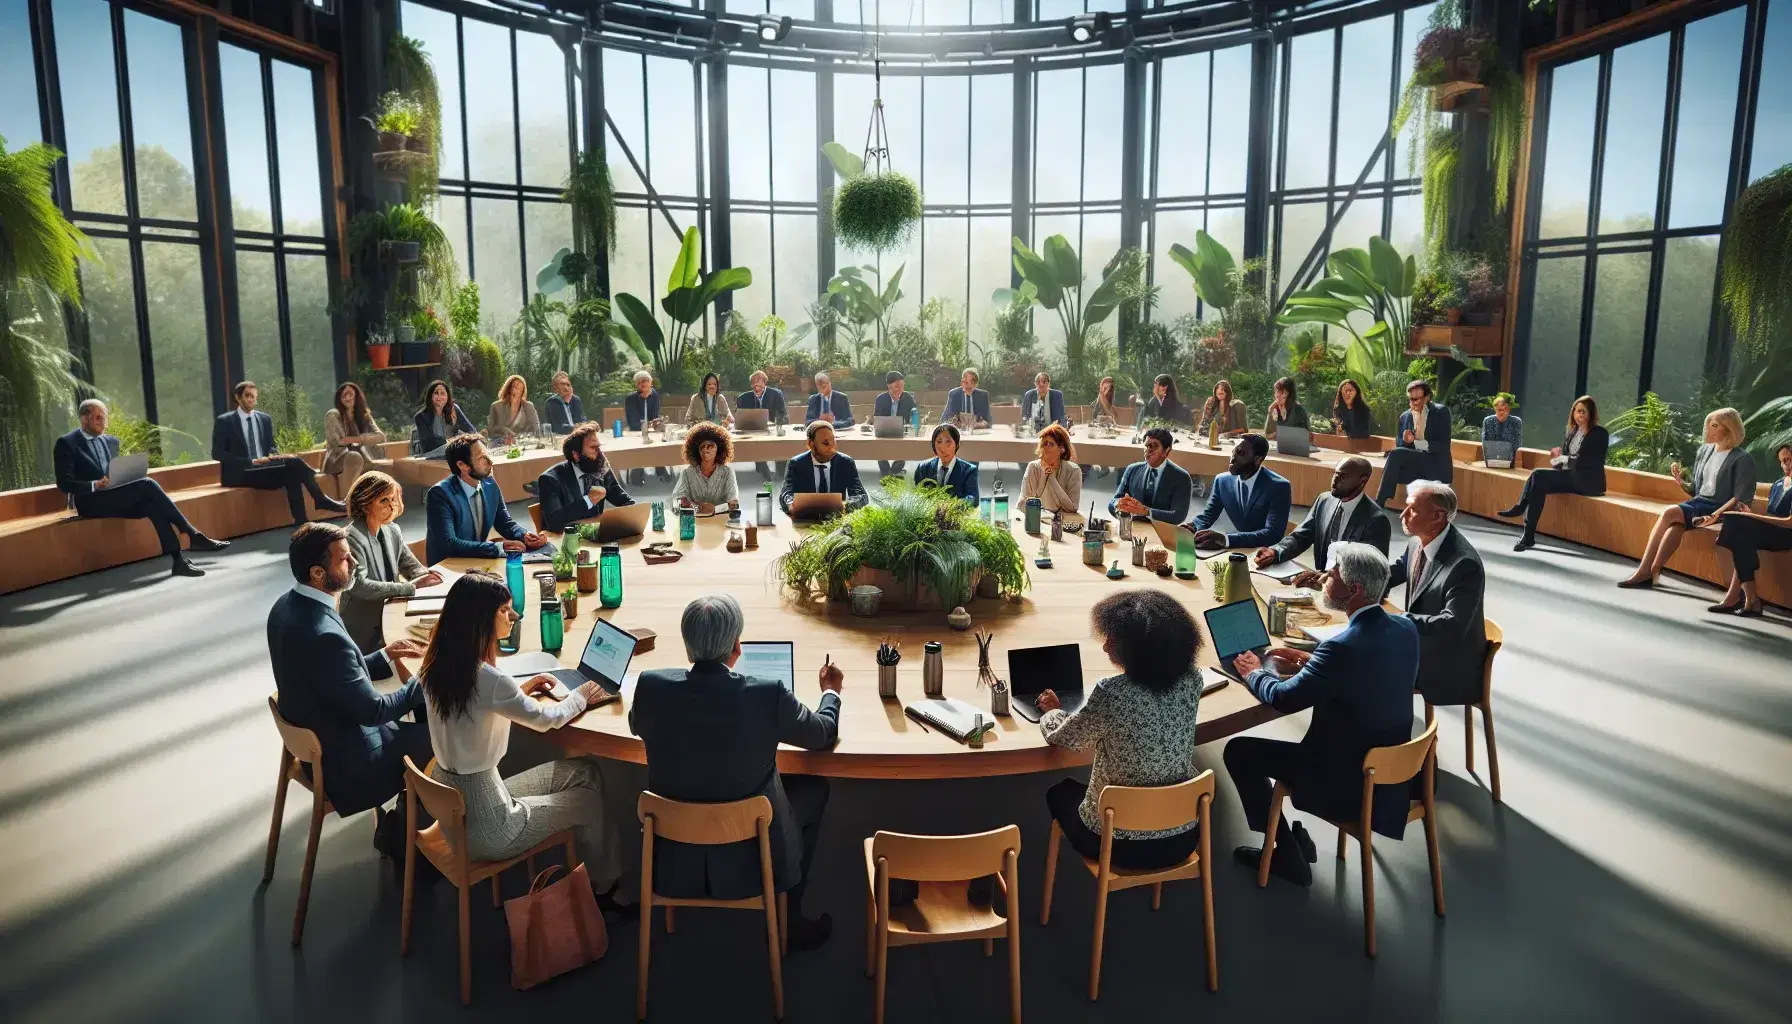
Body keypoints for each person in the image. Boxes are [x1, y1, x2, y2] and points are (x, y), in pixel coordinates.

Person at [629, 594, 842, 950]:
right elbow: (822, 735)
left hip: (672, 862)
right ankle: (789, 918)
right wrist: (831, 693)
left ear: (687, 644)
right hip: (752, 860)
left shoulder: (651, 687)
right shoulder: (766, 695)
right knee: (815, 791)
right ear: (736, 647)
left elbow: (637, 724)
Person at [420, 570, 625, 904]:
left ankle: (597, 878)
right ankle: (608, 890)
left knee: (584, 770)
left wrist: (520, 691)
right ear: (481, 620)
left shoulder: (438, 664)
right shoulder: (489, 680)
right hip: (489, 825)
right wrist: (583, 695)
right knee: (589, 802)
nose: (512, 617)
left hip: (458, 809)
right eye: (504, 611)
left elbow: (477, 707)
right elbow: (548, 720)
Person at [1224, 543, 1418, 887]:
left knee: (1238, 751)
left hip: (1344, 780)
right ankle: (1290, 840)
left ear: (1354, 590)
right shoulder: (1406, 629)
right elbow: (1366, 670)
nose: (1325, 577)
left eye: (1333, 573)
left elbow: (1283, 698)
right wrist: (1311, 662)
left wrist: (1254, 672)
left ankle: (1283, 853)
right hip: (1390, 776)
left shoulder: (1340, 649)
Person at [269, 522, 433, 858]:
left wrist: (385, 655)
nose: (354, 564)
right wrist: (423, 679)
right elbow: (373, 711)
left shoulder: (286, 607)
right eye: (345, 560)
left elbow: (332, 674)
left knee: (425, 720)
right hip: (352, 765)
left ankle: (405, 822)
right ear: (318, 573)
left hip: (322, 739)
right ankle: (408, 840)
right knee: (443, 738)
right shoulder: (323, 632)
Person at [1033, 590, 1208, 869]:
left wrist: (1052, 711)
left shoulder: (1111, 693)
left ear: (1138, 650)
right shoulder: (1192, 679)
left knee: (1060, 791)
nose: (1105, 647)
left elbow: (1068, 738)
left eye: (1113, 639)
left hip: (1116, 844)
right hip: (1181, 837)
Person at [53, 398, 227, 577]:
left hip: (114, 495)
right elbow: (64, 484)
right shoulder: (67, 443)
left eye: (105, 418)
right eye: (98, 418)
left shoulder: (111, 441)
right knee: (147, 484)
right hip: (90, 502)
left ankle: (178, 561)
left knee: (152, 506)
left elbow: (112, 472)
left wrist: (123, 475)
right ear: (84, 418)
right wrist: (93, 485)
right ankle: (191, 533)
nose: (103, 423)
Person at [1620, 408, 1757, 589]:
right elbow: (1696, 490)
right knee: (1676, 525)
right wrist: (1680, 481)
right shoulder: (1704, 452)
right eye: (1707, 424)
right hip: (1699, 503)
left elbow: (1740, 497)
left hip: (1720, 509)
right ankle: (1652, 571)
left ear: (1730, 430)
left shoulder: (1742, 458)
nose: (1707, 429)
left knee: (1670, 513)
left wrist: (1716, 515)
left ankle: (1645, 570)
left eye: (1714, 425)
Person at [1384, 481, 1487, 708]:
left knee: (1365, 668)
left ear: (1438, 516)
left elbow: (1453, 625)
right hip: (1419, 648)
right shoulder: (1417, 542)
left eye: (1413, 510)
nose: (1402, 515)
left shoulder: (1464, 564)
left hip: (1448, 669)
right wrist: (1354, 582)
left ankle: (1391, 738)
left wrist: (1401, 620)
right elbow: (1396, 572)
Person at [211, 380, 347, 527]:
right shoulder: (224, 421)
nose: (251, 399)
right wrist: (250, 461)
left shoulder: (264, 419)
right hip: (241, 473)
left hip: (264, 468)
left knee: (292, 471)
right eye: (247, 396)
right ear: (238, 398)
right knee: (294, 465)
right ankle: (320, 499)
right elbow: (217, 453)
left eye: (254, 396)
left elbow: (271, 447)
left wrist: (272, 455)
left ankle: (301, 520)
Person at [339, 471, 442, 654]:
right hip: (361, 628)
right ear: (365, 504)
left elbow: (411, 566)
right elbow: (361, 586)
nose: (392, 506)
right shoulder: (350, 538)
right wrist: (410, 587)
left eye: (393, 499)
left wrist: (427, 576)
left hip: (390, 614)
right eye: (384, 501)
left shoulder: (392, 530)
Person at [1254, 456, 1390, 587]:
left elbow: (1371, 572)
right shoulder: (1324, 501)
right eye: (1335, 474)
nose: (1335, 481)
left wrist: (1328, 578)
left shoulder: (1376, 521)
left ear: (1362, 481)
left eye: (1343, 477)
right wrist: (1275, 552)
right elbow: (1302, 536)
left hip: (1349, 595)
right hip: (1317, 585)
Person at [1498, 395, 1608, 552]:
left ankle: (1520, 508)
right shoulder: (1571, 432)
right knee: (1538, 483)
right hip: (1572, 477)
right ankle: (1528, 536)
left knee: (1538, 475)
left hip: (1588, 482)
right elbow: (1568, 461)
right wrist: (1557, 459)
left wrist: (1564, 459)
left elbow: (1585, 461)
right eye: (1577, 412)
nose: (1580, 415)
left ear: (1591, 413)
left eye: (1584, 412)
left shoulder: (1599, 434)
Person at [425, 434, 545, 563]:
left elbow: (504, 523)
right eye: (481, 457)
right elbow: (449, 544)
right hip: (449, 568)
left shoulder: (489, 483)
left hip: (478, 562)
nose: (490, 461)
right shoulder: (440, 494)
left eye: (488, 454)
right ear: (462, 465)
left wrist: (524, 536)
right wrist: (496, 548)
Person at [1711, 443, 1792, 617]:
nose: (1785, 465)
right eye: (1782, 461)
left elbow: (1789, 522)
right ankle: (1750, 599)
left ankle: (1744, 599)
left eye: (1789, 460)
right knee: (1741, 538)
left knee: (1735, 525)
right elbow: (1771, 514)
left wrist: (1753, 518)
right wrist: (1751, 514)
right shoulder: (1777, 485)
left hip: (1786, 534)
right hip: (1770, 530)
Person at [1188, 433, 1292, 550]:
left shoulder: (1278, 486)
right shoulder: (1222, 481)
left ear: (1258, 460)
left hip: (1266, 553)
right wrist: (1193, 527)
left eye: (1241, 453)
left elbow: (1273, 535)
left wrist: (1225, 539)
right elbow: (1207, 517)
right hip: (1237, 550)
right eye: (1234, 451)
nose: (1232, 458)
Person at [536, 422, 635, 534]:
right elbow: (555, 522)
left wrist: (636, 512)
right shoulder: (549, 480)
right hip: (564, 540)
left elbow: (621, 498)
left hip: (594, 536)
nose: (599, 453)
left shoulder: (600, 468)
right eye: (593, 448)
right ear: (576, 455)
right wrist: (588, 501)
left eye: (599, 447)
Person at [1375, 380, 1454, 507]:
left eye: (1416, 399)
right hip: (1414, 468)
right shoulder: (1404, 417)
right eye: (1410, 399)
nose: (1413, 403)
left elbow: (1443, 446)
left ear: (1427, 398)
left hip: (1435, 466)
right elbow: (1401, 447)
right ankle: (1381, 501)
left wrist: (1416, 443)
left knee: (1396, 454)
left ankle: (1379, 502)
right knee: (1395, 454)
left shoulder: (1441, 412)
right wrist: (1406, 442)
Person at [780, 421, 867, 517]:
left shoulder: (845, 462)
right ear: (811, 444)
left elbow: (861, 495)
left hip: (836, 519)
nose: (831, 447)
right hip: (806, 519)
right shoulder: (797, 463)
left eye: (833, 441)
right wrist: (792, 504)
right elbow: (785, 494)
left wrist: (847, 505)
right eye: (825, 443)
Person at [1109, 427, 1193, 525]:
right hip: (1133, 528)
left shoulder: (1182, 478)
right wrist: (1120, 505)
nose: (1148, 451)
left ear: (1167, 451)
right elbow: (1113, 502)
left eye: (1153, 446)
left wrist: (1146, 511)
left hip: (1162, 533)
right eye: (1146, 446)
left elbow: (1178, 516)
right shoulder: (1132, 469)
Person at [323, 381, 388, 496]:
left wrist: (356, 439)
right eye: (343, 395)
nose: (347, 398)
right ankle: (346, 502)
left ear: (357, 396)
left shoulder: (364, 415)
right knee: (355, 457)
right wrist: (361, 440)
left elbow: (380, 436)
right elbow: (337, 442)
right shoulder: (333, 415)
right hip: (337, 459)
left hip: (361, 455)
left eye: (350, 394)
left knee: (376, 461)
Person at [672, 421, 740, 514]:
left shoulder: (727, 472)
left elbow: (734, 504)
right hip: (695, 522)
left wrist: (714, 509)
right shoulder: (687, 473)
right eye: (702, 446)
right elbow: (677, 501)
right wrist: (695, 508)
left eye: (710, 446)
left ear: (719, 449)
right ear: (697, 450)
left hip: (720, 522)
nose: (706, 449)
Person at [737, 369, 789, 479]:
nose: (755, 383)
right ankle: (764, 470)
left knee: (781, 441)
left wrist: (776, 423)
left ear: (764, 382)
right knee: (755, 441)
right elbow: (741, 417)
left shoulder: (776, 394)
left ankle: (780, 472)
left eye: (758, 381)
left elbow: (783, 414)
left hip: (773, 428)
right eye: (753, 381)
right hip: (754, 430)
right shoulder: (743, 398)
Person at [1021, 424, 1083, 515]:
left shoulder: (1074, 471)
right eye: (1044, 444)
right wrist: (1044, 477)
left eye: (1051, 444)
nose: (1046, 448)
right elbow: (1022, 504)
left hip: (1063, 523)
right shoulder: (1033, 467)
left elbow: (1072, 508)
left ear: (1062, 448)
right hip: (1037, 520)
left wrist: (1052, 479)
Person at [912, 423, 979, 504]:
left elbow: (973, 498)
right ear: (934, 445)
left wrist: (951, 505)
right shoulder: (923, 468)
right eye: (939, 442)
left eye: (948, 442)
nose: (943, 448)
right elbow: (917, 497)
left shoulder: (969, 470)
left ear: (957, 444)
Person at [625, 370, 672, 484]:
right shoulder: (630, 398)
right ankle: (637, 471)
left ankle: (660, 469)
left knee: (659, 442)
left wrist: (658, 422)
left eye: (645, 380)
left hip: (652, 430)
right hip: (636, 430)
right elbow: (633, 421)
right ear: (636, 385)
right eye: (639, 381)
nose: (643, 383)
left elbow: (655, 415)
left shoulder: (654, 395)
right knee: (637, 445)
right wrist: (649, 424)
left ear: (651, 382)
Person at [412, 379, 477, 455]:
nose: (439, 396)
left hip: (452, 450)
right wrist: (453, 441)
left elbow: (470, 430)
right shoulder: (420, 416)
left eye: (442, 393)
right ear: (430, 396)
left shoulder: (454, 409)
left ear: (447, 396)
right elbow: (428, 443)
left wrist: (475, 438)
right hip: (430, 454)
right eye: (436, 393)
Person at [874, 371, 919, 475]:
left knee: (906, 441)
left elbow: (912, 417)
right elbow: (877, 418)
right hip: (883, 432)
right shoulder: (881, 399)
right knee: (878, 442)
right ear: (889, 386)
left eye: (902, 385)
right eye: (897, 385)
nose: (900, 388)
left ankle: (897, 468)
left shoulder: (908, 398)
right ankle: (885, 470)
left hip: (903, 431)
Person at [486, 374, 541, 442]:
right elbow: (490, 431)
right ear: (508, 388)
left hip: (523, 443)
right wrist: (503, 430)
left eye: (518, 388)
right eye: (513, 386)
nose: (514, 389)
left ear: (522, 391)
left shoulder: (528, 406)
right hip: (500, 444)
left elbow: (536, 428)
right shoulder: (496, 406)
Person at [1089, 376, 1121, 478]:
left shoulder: (1110, 402)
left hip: (1110, 430)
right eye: (1104, 387)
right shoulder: (1097, 400)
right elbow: (1094, 415)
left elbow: (1112, 419)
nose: (1105, 390)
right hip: (1097, 428)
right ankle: (1101, 466)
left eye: (1108, 388)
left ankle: (1106, 466)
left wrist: (1102, 397)